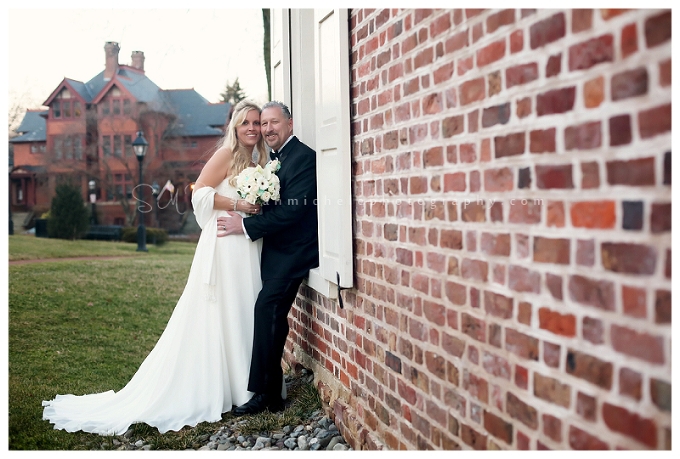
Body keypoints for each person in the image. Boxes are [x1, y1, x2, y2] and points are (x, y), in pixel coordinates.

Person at [42, 100, 267, 435]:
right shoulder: (225, 155)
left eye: (256, 122)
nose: (251, 128)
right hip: (223, 244)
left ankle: (247, 385)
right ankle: (230, 388)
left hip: (248, 243)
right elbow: (200, 194)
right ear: (235, 126)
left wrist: (258, 206)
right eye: (245, 122)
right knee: (225, 310)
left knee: (246, 308)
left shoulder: (261, 160)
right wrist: (238, 203)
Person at [217, 101, 319, 415]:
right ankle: (271, 391)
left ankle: (266, 394)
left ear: (290, 123)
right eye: (263, 124)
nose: (267, 129)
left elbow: (292, 212)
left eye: (274, 122)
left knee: (268, 308)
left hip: (295, 251)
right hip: (274, 251)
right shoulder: (271, 159)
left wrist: (245, 224)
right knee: (266, 312)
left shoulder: (303, 158)